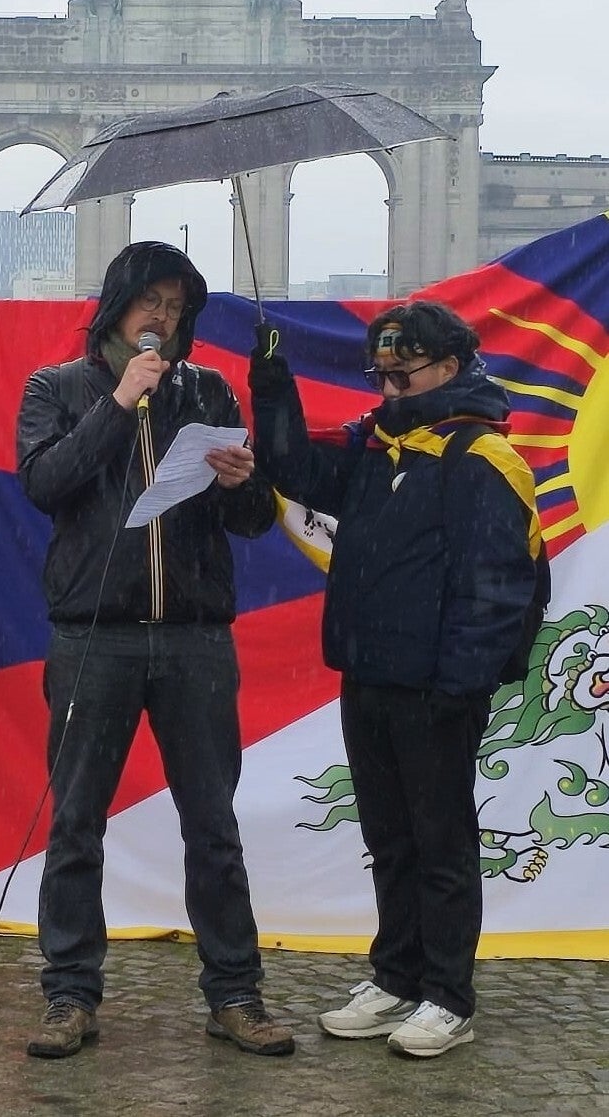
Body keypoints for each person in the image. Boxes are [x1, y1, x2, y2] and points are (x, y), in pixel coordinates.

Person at [18, 241, 294, 1061]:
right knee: (75, 824)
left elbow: (251, 521)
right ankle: (70, 995)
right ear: (118, 304)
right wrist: (118, 403)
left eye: (176, 307)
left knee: (212, 826)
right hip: (93, 637)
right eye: (151, 302)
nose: (163, 319)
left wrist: (245, 482)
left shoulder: (207, 390)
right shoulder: (55, 387)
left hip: (194, 640)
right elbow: (45, 483)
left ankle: (235, 992)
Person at [249, 301, 539, 1059]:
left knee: (441, 844)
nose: (386, 388)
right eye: (378, 374)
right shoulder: (377, 445)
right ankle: (397, 977)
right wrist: (272, 383)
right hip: (368, 676)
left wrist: (458, 687)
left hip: (437, 690)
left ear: (448, 367)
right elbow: (297, 472)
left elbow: (497, 588)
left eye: (401, 374)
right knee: (390, 839)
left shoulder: (481, 457)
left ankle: (448, 995)